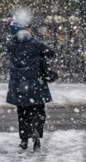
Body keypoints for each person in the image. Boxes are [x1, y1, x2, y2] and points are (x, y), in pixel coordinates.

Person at [6, 21, 55, 152]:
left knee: (22, 113)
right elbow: (51, 53)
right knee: (38, 112)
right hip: (36, 85)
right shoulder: (36, 44)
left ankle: (24, 139)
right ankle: (36, 137)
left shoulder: (10, 45)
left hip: (18, 85)